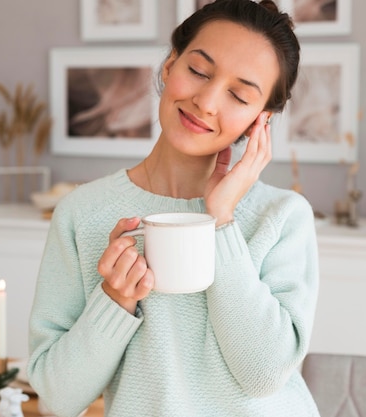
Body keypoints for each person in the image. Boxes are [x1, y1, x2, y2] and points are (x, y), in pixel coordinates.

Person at [27, 1, 320, 416]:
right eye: (198, 71)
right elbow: (58, 400)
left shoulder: (283, 217)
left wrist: (221, 220)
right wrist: (115, 298)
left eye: (239, 95)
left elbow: (264, 375)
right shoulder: (82, 213)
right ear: (169, 66)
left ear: (262, 119)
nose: (207, 101)